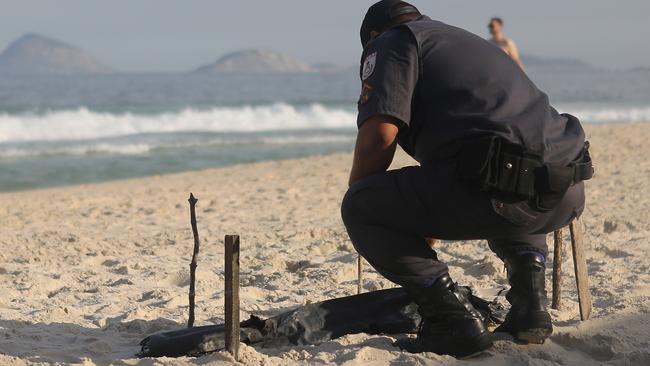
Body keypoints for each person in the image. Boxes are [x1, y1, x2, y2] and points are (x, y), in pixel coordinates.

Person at [341, 0, 592, 358]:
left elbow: (379, 138)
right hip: (566, 191)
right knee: (511, 165)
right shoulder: (465, 42)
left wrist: (363, 202)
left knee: (361, 205)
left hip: (501, 191)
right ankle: (529, 305)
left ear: (374, 36)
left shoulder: (391, 42)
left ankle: (450, 318)